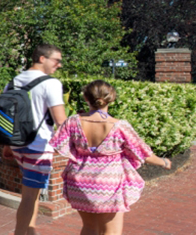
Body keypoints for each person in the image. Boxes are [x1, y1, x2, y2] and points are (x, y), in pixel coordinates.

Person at [49, 80, 171, 235]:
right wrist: (163, 162)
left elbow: (58, 145)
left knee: (89, 228)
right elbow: (143, 153)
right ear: (111, 99)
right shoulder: (119, 126)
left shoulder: (73, 121)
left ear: (86, 98)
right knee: (111, 232)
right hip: (109, 185)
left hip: (79, 182)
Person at [5, 44, 69, 235]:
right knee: (29, 197)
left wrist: (7, 145)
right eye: (57, 60)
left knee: (32, 196)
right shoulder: (51, 83)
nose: (59, 65)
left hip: (17, 145)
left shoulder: (14, 81)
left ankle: (30, 232)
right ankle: (19, 233)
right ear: (42, 58)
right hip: (39, 148)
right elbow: (61, 121)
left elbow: (7, 116)